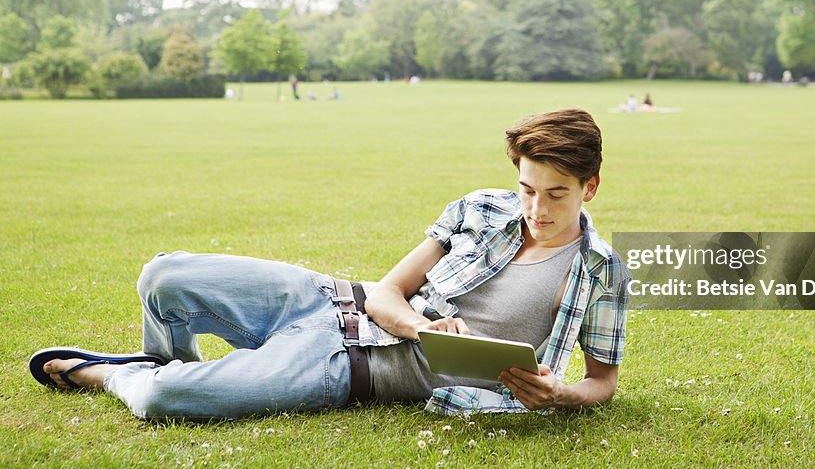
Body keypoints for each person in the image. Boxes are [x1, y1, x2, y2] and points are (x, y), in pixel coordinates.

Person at [30, 108, 629, 419]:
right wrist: (426, 329)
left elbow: (602, 380)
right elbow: (387, 293)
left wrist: (563, 397)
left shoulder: (600, 271)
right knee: (163, 276)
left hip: (348, 366)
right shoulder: (481, 208)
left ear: (590, 188)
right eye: (528, 188)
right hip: (326, 299)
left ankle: (118, 376)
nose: (536, 208)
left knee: (161, 402)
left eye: (556, 194)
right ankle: (169, 367)